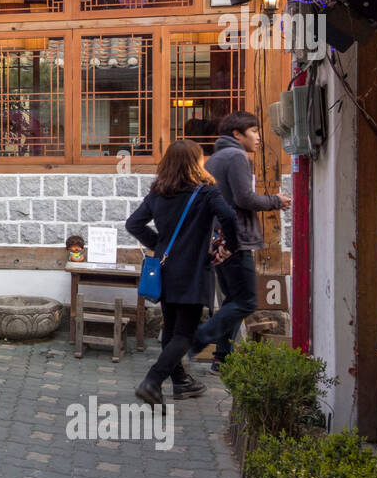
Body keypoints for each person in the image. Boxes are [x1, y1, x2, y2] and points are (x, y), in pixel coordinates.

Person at [125, 139, 240, 406]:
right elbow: (230, 218)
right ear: (194, 163)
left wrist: (159, 245)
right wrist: (229, 246)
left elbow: (134, 223)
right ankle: (153, 380)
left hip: (166, 269)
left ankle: (181, 382)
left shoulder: (158, 192)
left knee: (171, 328)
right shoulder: (206, 192)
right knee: (184, 334)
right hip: (194, 271)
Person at [192, 111, 292, 372]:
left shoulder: (215, 158)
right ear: (238, 134)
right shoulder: (237, 157)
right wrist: (275, 201)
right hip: (236, 238)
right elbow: (244, 199)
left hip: (219, 238)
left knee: (232, 299)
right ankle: (200, 337)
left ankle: (222, 358)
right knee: (246, 301)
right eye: (254, 131)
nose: (259, 137)